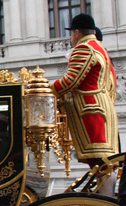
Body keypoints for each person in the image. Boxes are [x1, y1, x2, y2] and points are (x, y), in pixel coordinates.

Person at [50, 13, 118, 195]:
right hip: (101, 110)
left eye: (71, 34)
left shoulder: (83, 48)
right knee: (102, 162)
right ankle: (106, 196)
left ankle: (105, 200)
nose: (71, 39)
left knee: (100, 162)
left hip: (90, 112)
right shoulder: (100, 48)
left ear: (77, 33)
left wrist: (47, 89)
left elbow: (70, 81)